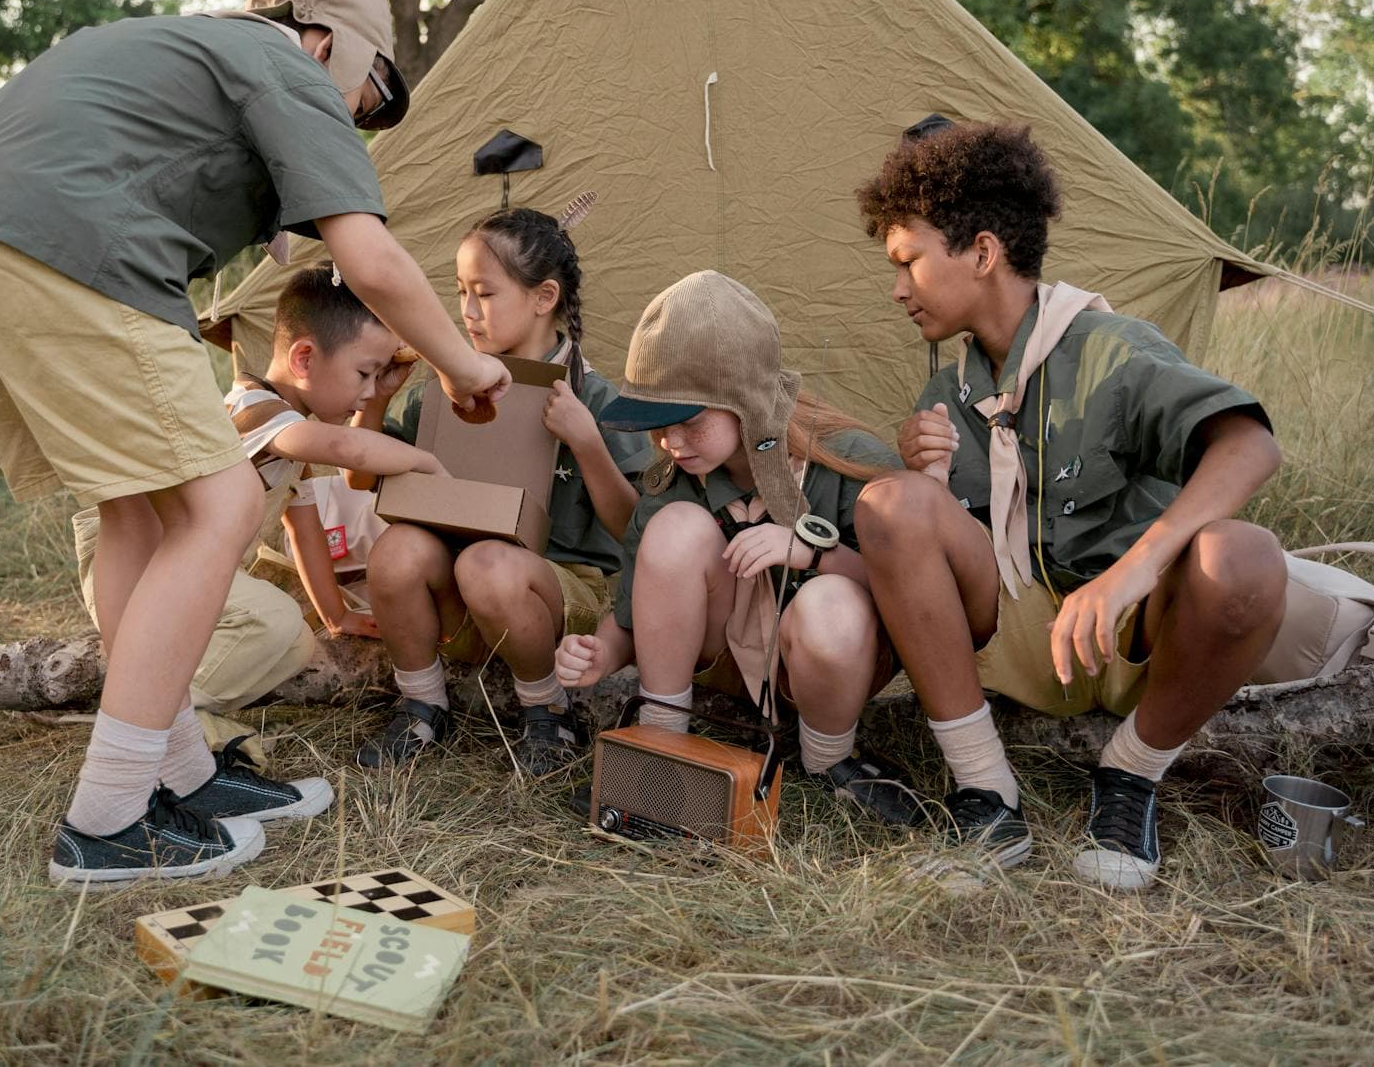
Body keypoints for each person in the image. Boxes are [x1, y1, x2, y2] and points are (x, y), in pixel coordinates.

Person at [0, 0, 511, 886]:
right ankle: (107, 817)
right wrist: (464, 365)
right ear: (324, 39)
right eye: (373, 90)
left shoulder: (182, 47)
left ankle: (179, 772)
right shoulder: (290, 68)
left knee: (138, 512)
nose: (360, 116)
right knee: (222, 504)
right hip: (75, 246)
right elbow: (372, 259)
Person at [851, 119, 1287, 888]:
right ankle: (986, 791)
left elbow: (1251, 445)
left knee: (1246, 558)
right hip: (1016, 629)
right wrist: (928, 479)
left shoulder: (1111, 349)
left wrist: (1135, 569)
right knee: (891, 504)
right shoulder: (948, 390)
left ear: (982, 252)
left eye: (908, 261)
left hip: (1133, 628)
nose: (895, 289)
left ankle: (1130, 777)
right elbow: (947, 548)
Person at [553, 271, 916, 816]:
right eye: (657, 426)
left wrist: (811, 553)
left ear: (745, 401)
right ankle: (660, 746)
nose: (670, 443)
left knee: (829, 602)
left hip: (830, 662)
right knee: (675, 527)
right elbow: (634, 613)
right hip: (725, 657)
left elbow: (911, 597)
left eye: (689, 422)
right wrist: (602, 653)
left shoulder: (845, 459)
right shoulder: (672, 481)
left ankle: (828, 759)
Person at [69, 265, 441, 748]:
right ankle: (149, 719)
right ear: (304, 358)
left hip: (183, 574)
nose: (370, 391)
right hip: (133, 565)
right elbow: (348, 450)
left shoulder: (288, 436)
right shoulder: (253, 410)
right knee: (273, 620)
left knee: (293, 644)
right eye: (364, 374)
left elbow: (305, 529)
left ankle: (173, 707)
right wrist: (426, 462)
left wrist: (335, 614)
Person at [351, 207, 649, 774]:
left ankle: (549, 712)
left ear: (543, 298)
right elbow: (361, 477)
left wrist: (586, 443)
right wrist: (378, 400)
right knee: (396, 550)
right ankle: (422, 706)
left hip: (562, 597)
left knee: (490, 563)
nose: (465, 312)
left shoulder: (597, 400)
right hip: (460, 592)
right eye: (459, 291)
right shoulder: (452, 382)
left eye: (483, 294)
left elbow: (634, 529)